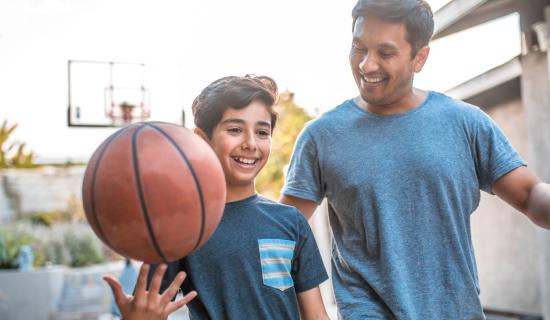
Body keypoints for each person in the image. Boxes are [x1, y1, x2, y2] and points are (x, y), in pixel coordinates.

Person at [280, 0, 550, 319]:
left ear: (419, 57)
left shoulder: (466, 124)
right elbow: (282, 233)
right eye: (358, 48)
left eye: (385, 52)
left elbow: (530, 194)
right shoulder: (320, 137)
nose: (366, 65)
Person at [106, 75, 330, 320]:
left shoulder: (290, 222)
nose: (251, 143)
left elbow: (317, 315)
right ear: (202, 140)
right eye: (235, 129)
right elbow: (146, 310)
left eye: (262, 132)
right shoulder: (181, 229)